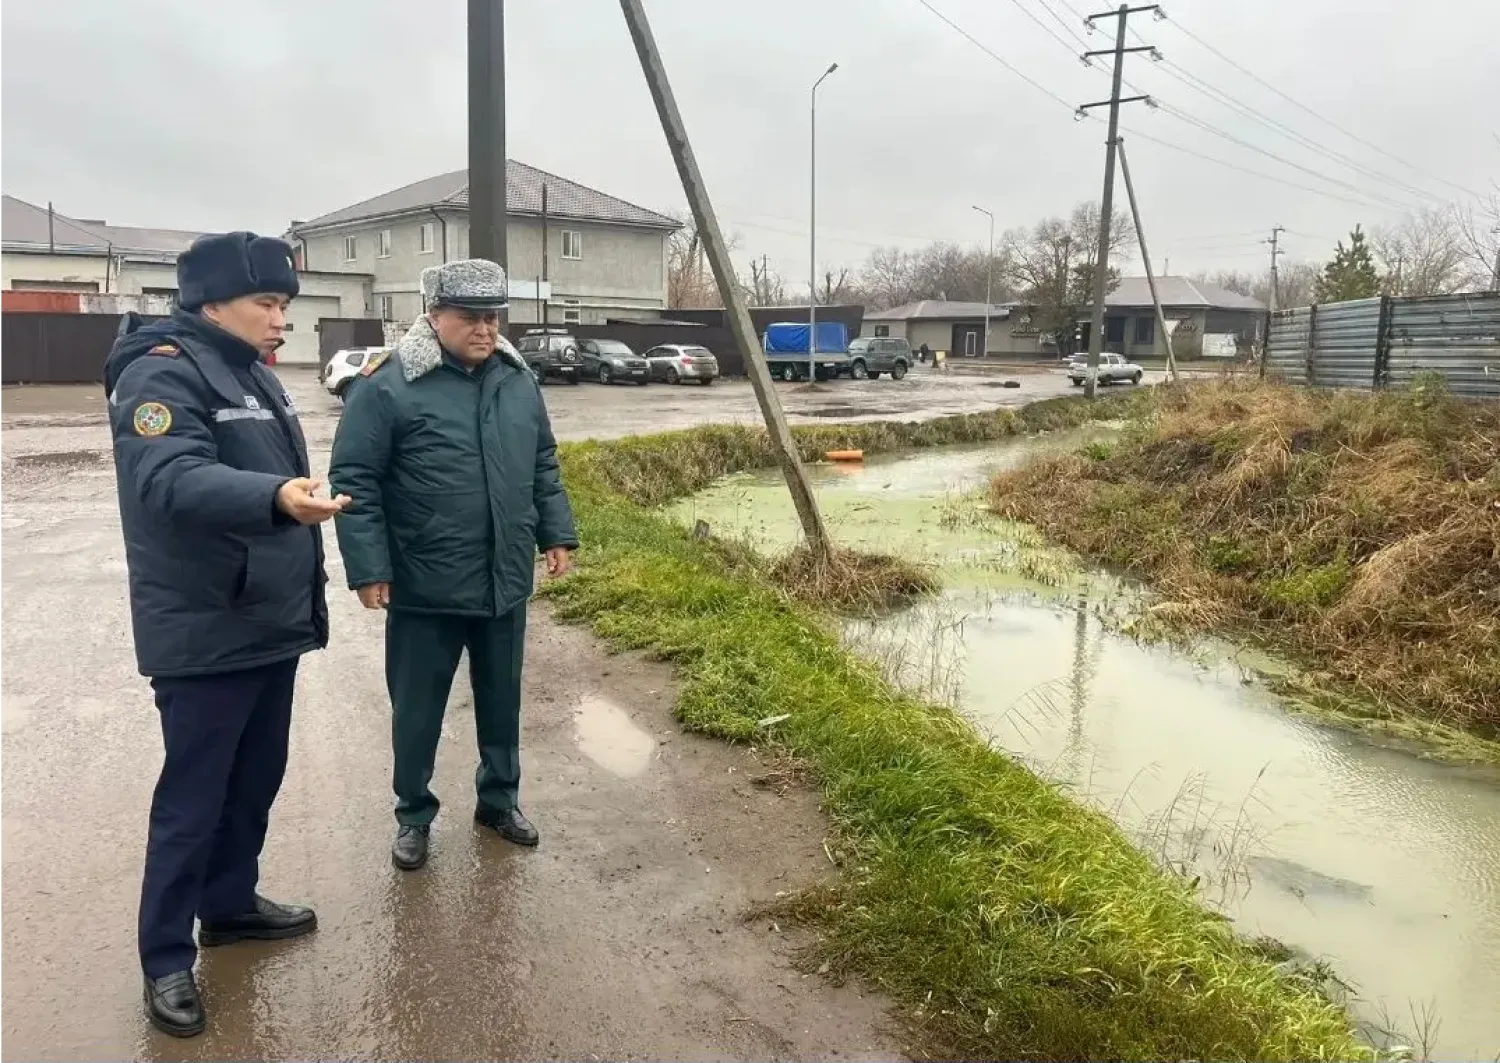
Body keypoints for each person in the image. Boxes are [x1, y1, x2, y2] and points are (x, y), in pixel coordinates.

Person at [104, 232, 349, 1038]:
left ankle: (230, 903)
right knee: (193, 798)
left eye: (284, 304)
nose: (282, 320)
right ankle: (167, 957)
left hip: (265, 619)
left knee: (254, 779)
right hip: (205, 626)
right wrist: (278, 494)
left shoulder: (247, 370)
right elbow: (167, 478)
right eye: (267, 305)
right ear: (211, 304)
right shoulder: (160, 371)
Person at [329, 259, 578, 873]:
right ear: (433, 315)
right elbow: (355, 478)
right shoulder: (387, 385)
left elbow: (542, 462)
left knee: (502, 701)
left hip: (503, 577)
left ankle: (499, 800)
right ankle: (413, 814)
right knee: (418, 710)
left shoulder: (518, 381)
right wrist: (369, 567)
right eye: (470, 317)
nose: (485, 329)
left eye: (492, 317)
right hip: (423, 583)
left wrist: (556, 532)